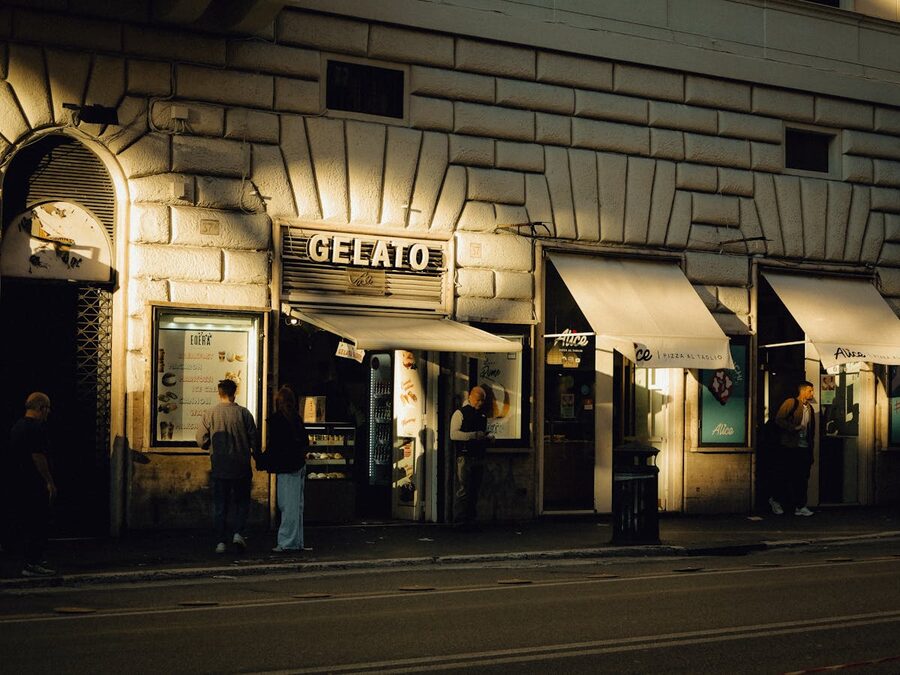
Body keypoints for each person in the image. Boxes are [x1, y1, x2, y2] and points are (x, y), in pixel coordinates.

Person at [196, 379, 259, 553]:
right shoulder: (244, 414)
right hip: (241, 467)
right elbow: (254, 439)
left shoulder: (210, 414)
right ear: (234, 393)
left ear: (219, 393)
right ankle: (238, 533)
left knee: (220, 505)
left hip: (220, 467)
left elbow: (201, 440)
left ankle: (220, 542)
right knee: (242, 502)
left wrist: (211, 446)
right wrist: (258, 458)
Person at [8, 392, 57, 576]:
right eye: (47, 408)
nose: (49, 412)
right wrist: (49, 482)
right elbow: (38, 456)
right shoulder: (36, 428)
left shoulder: (17, 427)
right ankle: (32, 562)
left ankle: (29, 559)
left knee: (26, 520)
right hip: (34, 482)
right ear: (39, 408)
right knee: (38, 521)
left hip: (20, 481)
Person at [260, 386, 309, 552]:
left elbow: (275, 446)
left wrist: (262, 460)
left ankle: (287, 542)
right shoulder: (297, 419)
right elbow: (305, 442)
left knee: (287, 505)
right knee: (296, 506)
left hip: (286, 467)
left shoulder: (277, 421)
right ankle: (297, 541)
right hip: (298, 465)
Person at [769, 380, 816, 517]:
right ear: (802, 391)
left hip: (804, 447)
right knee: (784, 475)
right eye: (810, 390)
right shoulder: (791, 402)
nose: (812, 393)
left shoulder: (810, 409)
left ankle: (800, 506)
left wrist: (811, 450)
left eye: (812, 391)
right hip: (789, 446)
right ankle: (775, 500)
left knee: (801, 478)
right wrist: (793, 428)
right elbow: (779, 419)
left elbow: (811, 432)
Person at [451, 386, 494, 528]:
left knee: (475, 488)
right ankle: (459, 520)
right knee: (464, 488)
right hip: (465, 455)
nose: (480, 403)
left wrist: (487, 437)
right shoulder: (460, 413)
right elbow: (454, 434)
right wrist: (473, 435)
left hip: (478, 455)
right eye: (478, 400)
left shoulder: (481, 415)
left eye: (482, 400)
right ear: (470, 396)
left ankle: (470, 519)